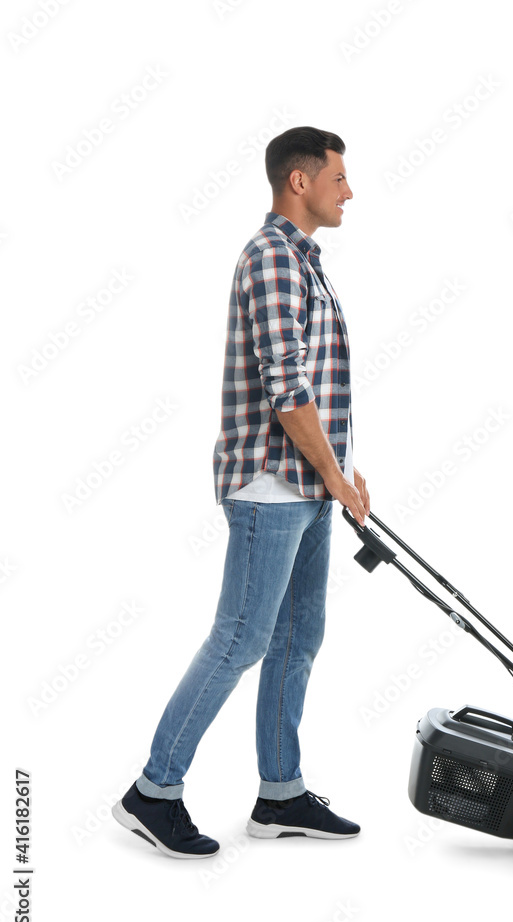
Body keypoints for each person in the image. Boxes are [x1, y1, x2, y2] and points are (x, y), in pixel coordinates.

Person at [112, 126, 367, 859]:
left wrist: (342, 472)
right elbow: (286, 391)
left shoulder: (302, 261)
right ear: (299, 180)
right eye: (339, 178)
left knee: (296, 637)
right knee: (242, 638)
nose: (348, 191)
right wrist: (331, 475)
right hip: (270, 484)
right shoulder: (273, 260)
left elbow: (314, 385)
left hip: (307, 484)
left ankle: (279, 794)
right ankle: (152, 792)